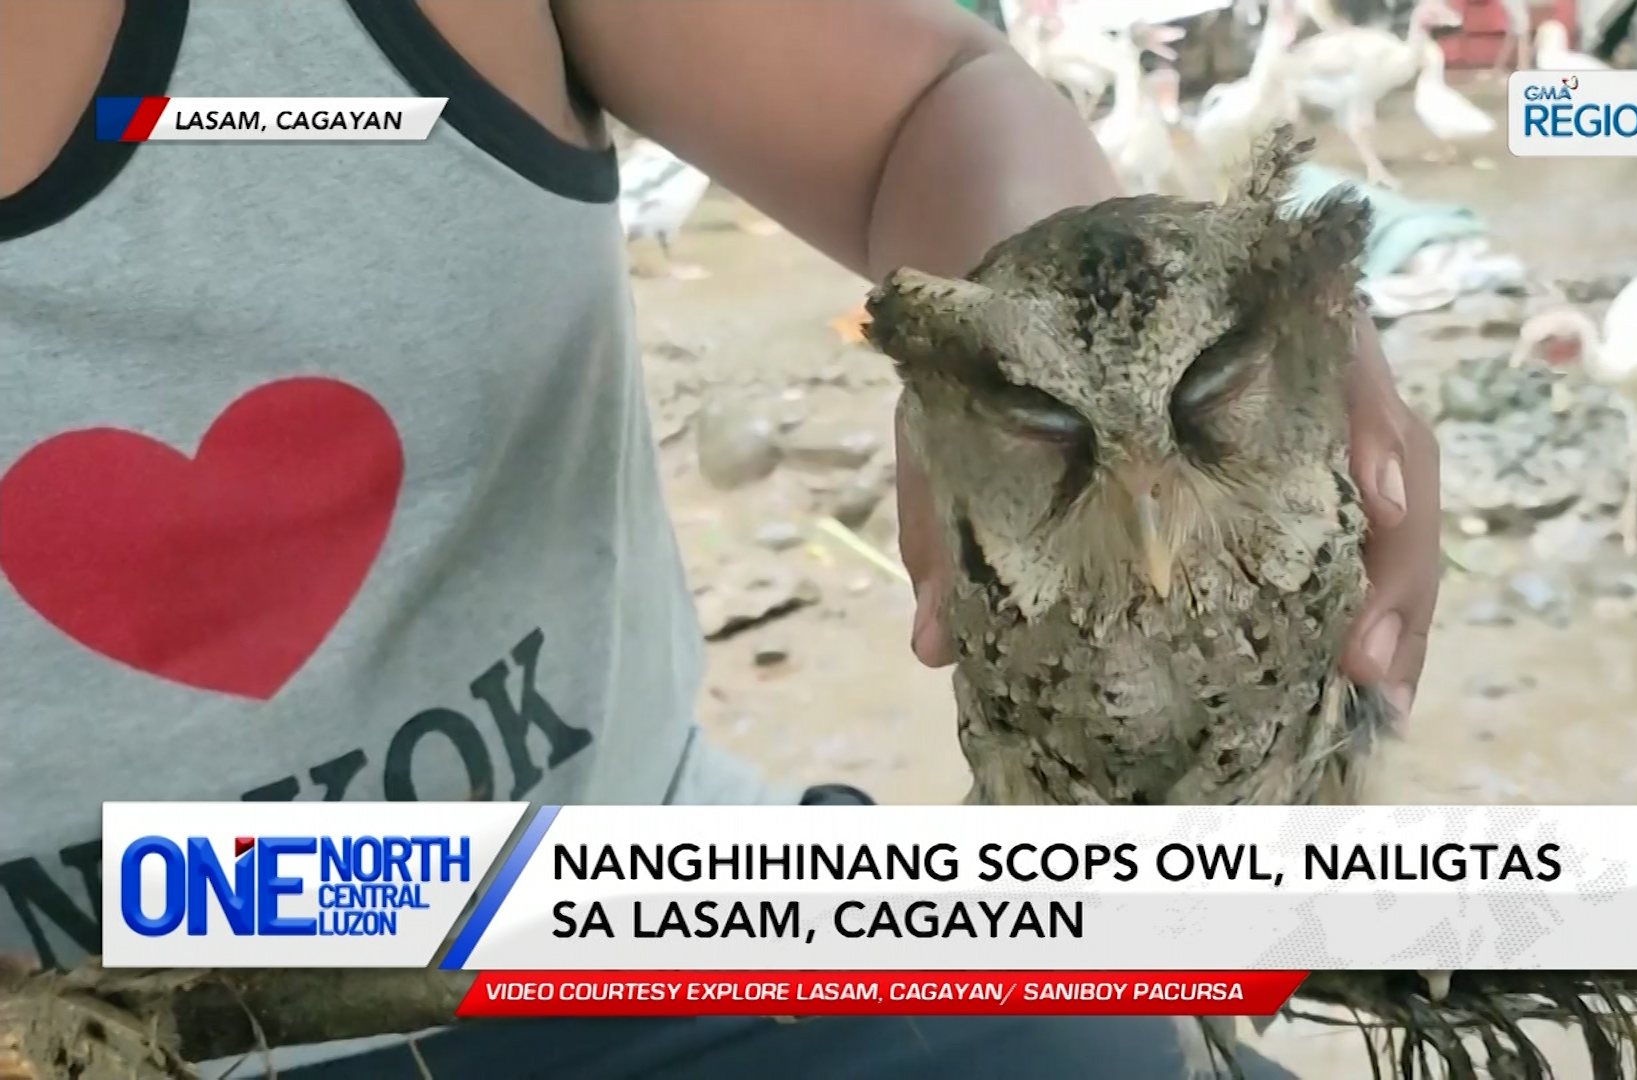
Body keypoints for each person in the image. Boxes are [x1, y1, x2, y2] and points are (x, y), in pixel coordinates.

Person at [0, 0, 1440, 1076]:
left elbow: (919, 101)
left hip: (650, 912)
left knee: (1095, 1045)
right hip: (90, 1013)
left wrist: (1055, 322)